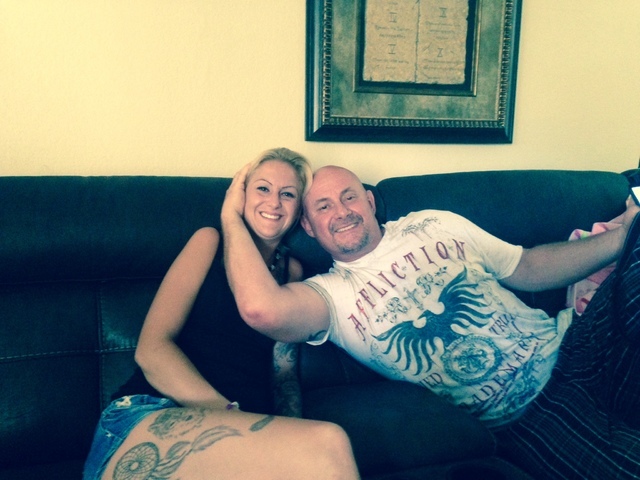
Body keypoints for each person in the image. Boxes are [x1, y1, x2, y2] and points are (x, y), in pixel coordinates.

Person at [222, 163, 640, 479]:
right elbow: (261, 309)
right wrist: (230, 218)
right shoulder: (330, 297)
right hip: (529, 411)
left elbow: (528, 267)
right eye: (324, 206)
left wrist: (627, 235)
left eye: (349, 197)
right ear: (309, 227)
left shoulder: (434, 223)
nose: (342, 212)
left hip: (581, 343)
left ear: (370, 202)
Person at [83, 151, 360, 480]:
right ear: (240, 195)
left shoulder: (292, 273)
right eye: (262, 188)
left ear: (298, 209)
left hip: (238, 435)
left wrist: (287, 434)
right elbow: (152, 351)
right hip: (151, 415)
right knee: (329, 443)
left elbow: (283, 375)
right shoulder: (208, 242)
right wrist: (229, 414)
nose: (274, 202)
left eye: (287, 194)